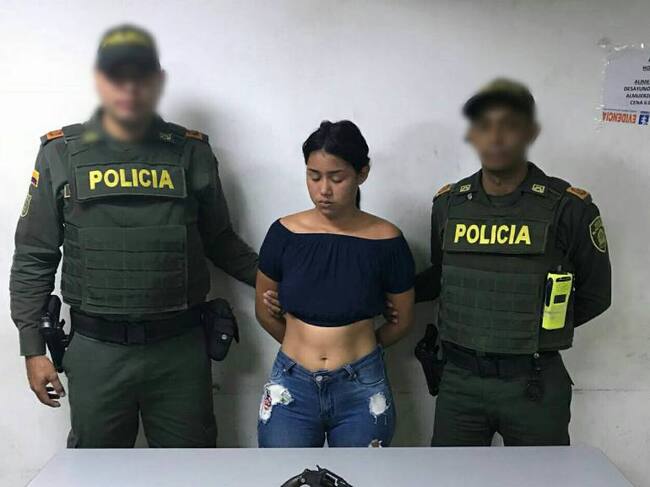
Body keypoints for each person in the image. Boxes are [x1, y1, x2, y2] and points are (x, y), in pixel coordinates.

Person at [9, 24, 258, 448]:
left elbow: (220, 241)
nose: (128, 88)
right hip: (96, 350)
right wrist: (32, 347)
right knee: (96, 473)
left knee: (192, 472)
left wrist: (279, 280)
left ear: (157, 82)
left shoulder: (192, 152)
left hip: (179, 351)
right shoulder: (60, 153)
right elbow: (35, 254)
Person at [415, 78, 612, 446]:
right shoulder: (449, 205)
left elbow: (596, 295)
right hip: (460, 382)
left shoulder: (569, 208)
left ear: (529, 132)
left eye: (509, 125)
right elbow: (444, 276)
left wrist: (532, 328)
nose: (496, 137)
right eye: (484, 126)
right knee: (449, 475)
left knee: (541, 475)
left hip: (533, 381)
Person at [255, 120, 415, 447]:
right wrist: (303, 347)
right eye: (314, 176)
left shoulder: (387, 240)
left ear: (362, 173)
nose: (323, 190)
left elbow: (401, 321)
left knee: (361, 474)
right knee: (284, 472)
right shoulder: (284, 233)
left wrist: (357, 350)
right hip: (291, 385)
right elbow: (263, 309)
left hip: (362, 387)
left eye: (336, 178)